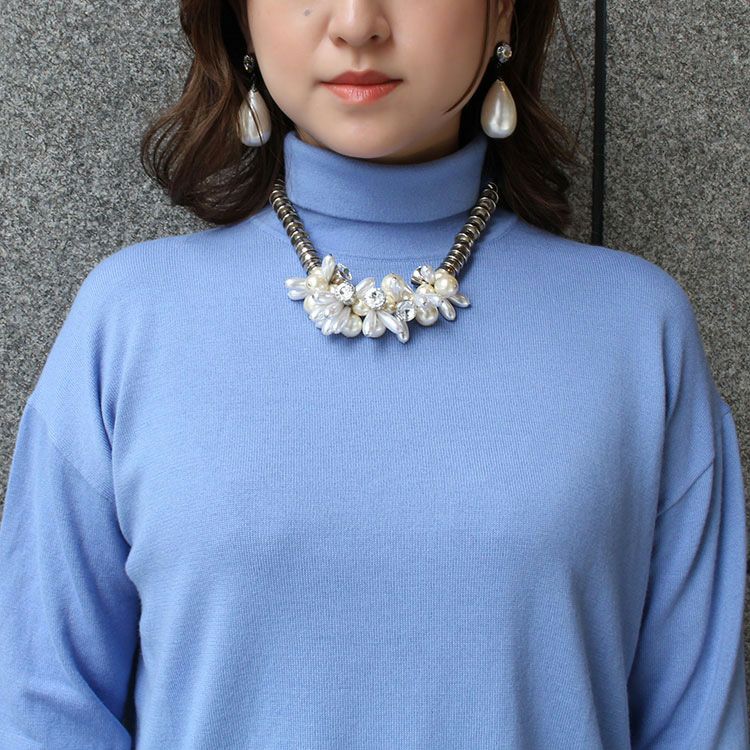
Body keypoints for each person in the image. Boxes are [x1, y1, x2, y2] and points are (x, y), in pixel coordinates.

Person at [0, 0, 747, 747]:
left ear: (503, 13)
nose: (357, 23)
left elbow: (697, 727)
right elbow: (40, 710)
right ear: (242, 17)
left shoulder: (635, 332)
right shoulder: (131, 321)